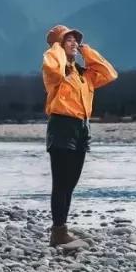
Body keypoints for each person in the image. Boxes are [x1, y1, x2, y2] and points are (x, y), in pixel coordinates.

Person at [41, 24, 118, 247]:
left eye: (76, 39)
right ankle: (58, 232)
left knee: (71, 183)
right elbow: (54, 68)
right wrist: (56, 46)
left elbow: (110, 73)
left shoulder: (84, 74)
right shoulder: (55, 71)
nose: (74, 42)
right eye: (68, 40)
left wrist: (86, 51)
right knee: (61, 183)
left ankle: (61, 229)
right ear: (58, 45)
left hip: (81, 128)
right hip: (61, 126)